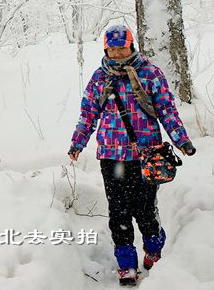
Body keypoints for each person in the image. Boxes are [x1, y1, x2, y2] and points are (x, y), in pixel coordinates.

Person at [67, 25, 196, 287]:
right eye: (111, 49)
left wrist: (181, 140)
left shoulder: (150, 73)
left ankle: (153, 249)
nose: (116, 53)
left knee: (144, 208)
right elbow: (88, 114)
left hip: (146, 155)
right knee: (118, 211)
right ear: (105, 49)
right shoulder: (100, 77)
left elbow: (167, 110)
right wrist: (77, 142)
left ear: (131, 45)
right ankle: (126, 263)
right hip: (111, 156)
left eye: (121, 47)